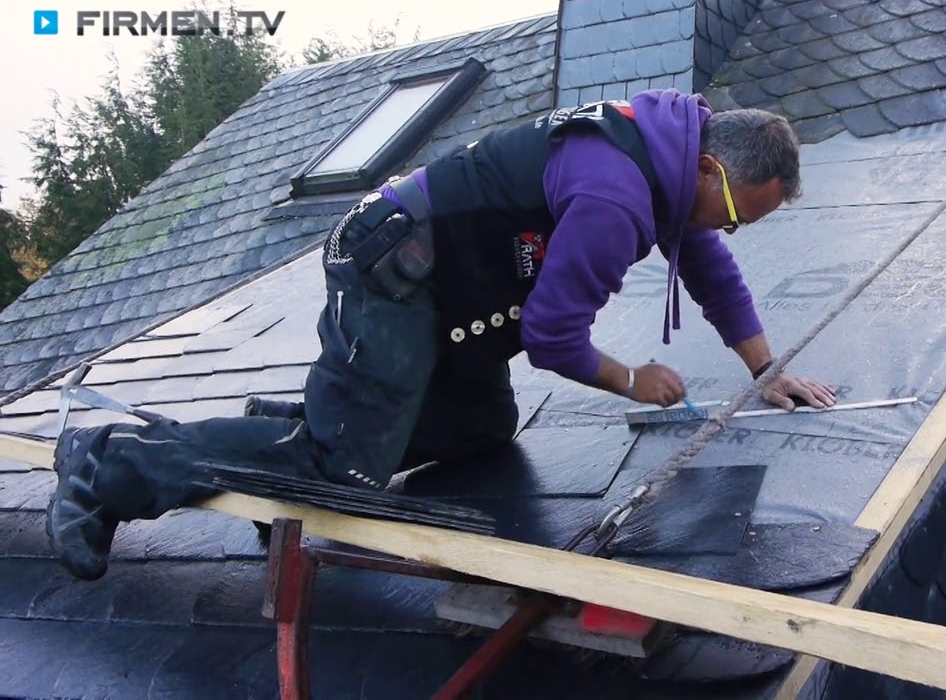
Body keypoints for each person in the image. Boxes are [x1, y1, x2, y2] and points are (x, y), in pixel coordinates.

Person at [45, 88, 837, 581]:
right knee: (343, 471)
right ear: (710, 170)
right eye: (734, 213)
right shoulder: (618, 197)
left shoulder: (666, 156)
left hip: (455, 292)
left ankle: (295, 430)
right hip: (397, 272)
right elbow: (554, 335)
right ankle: (108, 466)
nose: (726, 230)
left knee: (482, 428)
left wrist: (765, 369)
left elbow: (705, 266)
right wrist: (631, 379)